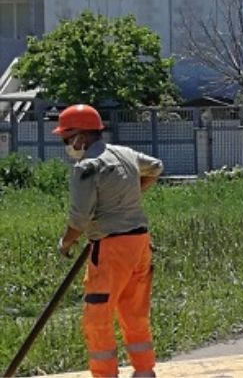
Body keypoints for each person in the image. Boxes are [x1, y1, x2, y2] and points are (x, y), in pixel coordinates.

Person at [54, 104, 162, 378]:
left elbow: (79, 218)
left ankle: (105, 375)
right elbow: (156, 167)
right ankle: (145, 371)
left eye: (67, 139)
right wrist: (129, 196)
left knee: (97, 318)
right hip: (140, 243)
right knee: (134, 312)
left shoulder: (87, 167)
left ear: (81, 136)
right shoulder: (124, 154)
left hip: (111, 249)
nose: (68, 145)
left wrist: (65, 244)